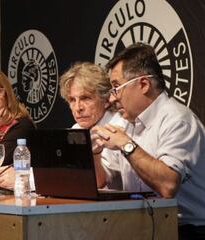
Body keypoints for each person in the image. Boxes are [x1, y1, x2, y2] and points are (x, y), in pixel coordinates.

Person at [91, 43, 205, 239]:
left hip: (187, 229)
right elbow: (100, 181)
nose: (111, 98)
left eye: (117, 87)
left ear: (143, 85)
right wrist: (95, 154)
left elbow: (168, 186)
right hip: (143, 225)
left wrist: (127, 145)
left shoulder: (178, 120)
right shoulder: (122, 122)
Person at [59, 62, 118, 129]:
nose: (78, 108)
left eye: (85, 98)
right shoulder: (77, 128)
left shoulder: (120, 127)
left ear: (106, 100)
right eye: (72, 100)